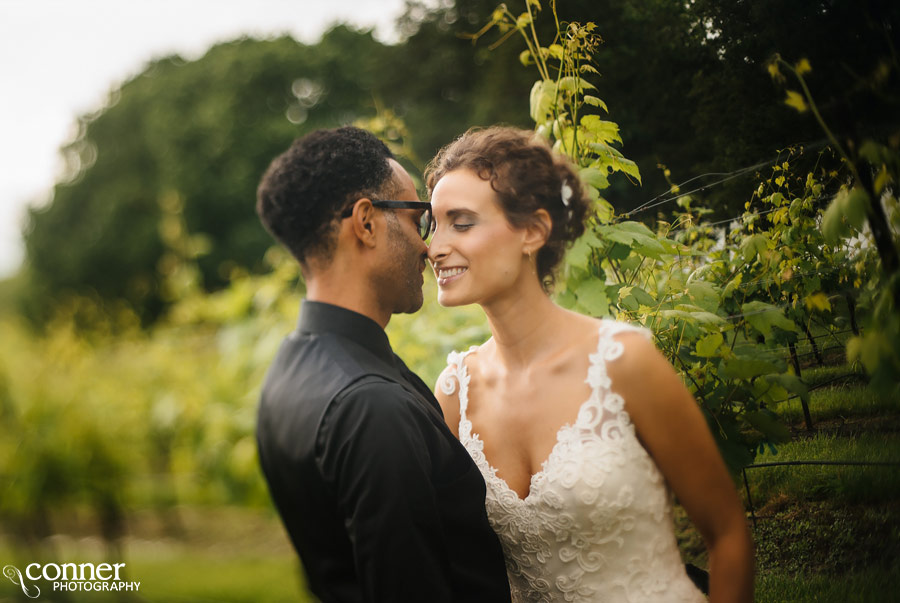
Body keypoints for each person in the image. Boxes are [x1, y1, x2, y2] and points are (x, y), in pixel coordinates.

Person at [425, 126, 754, 602]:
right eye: (432, 224)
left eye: (461, 222)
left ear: (533, 231)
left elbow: (727, 535)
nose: (434, 247)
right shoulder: (456, 391)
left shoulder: (623, 362)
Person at [254, 126, 511, 602]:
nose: (427, 247)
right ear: (366, 223)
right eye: (419, 219)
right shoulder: (372, 407)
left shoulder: (285, 374)